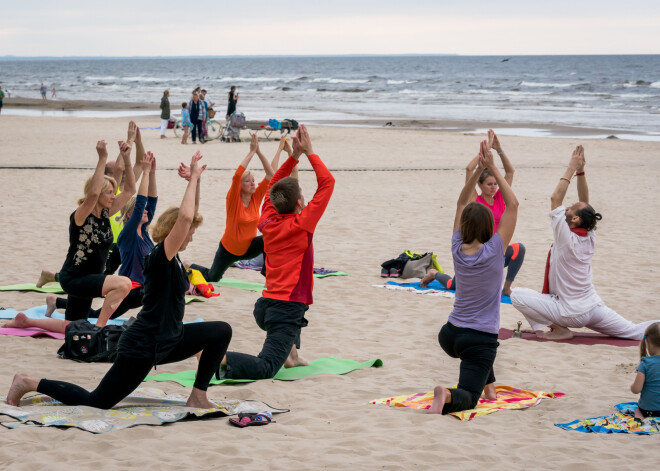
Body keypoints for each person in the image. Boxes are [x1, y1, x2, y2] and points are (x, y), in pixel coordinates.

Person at [6, 152, 232, 410]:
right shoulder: (161, 258)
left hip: (171, 338)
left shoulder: (175, 258)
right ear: (175, 232)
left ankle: (198, 395)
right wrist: (191, 181)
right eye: (189, 232)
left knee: (220, 331)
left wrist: (196, 180)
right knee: (97, 401)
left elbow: (190, 216)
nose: (191, 236)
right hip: (143, 345)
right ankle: (28, 382)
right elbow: (185, 218)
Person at [510, 146, 660, 340]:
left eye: (571, 208)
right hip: (593, 307)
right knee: (634, 331)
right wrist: (581, 172)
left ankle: (560, 330)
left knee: (517, 295)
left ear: (575, 220)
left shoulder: (565, 238)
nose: (569, 206)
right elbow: (585, 203)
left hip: (568, 312)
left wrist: (571, 168)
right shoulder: (589, 234)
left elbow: (555, 198)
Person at [221, 125, 335, 380]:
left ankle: (292, 355)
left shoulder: (268, 220)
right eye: (303, 196)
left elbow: (274, 184)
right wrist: (310, 152)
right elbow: (327, 183)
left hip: (265, 307)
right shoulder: (302, 224)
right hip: (283, 312)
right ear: (299, 204)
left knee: (299, 303)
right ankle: (220, 357)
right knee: (267, 367)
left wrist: (294, 156)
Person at [428, 139, 519, 415]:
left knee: (479, 356)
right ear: (490, 225)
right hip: (478, 338)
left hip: (450, 335)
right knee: (469, 395)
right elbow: (513, 204)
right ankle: (447, 395)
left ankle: (489, 385)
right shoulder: (494, 250)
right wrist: (492, 166)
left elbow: (460, 202)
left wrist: (480, 169)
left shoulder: (457, 247)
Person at [30, 152, 159, 325]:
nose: (114, 196)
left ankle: (23, 322)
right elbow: (92, 194)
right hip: (75, 277)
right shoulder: (81, 216)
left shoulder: (106, 215)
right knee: (123, 284)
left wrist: (131, 161)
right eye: (109, 193)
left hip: (90, 278)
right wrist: (102, 159)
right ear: (98, 194)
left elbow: (129, 190)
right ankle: (100, 327)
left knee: (72, 326)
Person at [36, 122, 145, 287]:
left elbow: (136, 172)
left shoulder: (112, 202)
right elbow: (114, 172)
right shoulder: (96, 202)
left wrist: (136, 143)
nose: (118, 170)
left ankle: (54, 284)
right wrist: (123, 143)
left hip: (111, 246)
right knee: (105, 280)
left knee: (99, 279)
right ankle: (54, 279)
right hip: (89, 259)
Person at [421, 130, 525, 296]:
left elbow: (510, 172)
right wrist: (485, 151)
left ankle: (506, 288)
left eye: (495, 184)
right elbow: (469, 169)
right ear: (480, 185)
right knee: (452, 285)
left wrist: (499, 150)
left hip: (495, 250)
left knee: (519, 249)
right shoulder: (474, 199)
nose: (494, 187)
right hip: (476, 253)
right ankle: (434, 274)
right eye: (489, 184)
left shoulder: (500, 198)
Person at [186, 133, 274, 281]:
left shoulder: (256, 198)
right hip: (228, 250)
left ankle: (267, 274)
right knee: (213, 277)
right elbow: (237, 176)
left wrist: (258, 151)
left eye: (253, 180)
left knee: (270, 237)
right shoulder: (233, 199)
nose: (253, 183)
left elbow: (271, 175)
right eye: (248, 181)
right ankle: (189, 264)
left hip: (248, 249)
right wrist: (251, 152)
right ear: (240, 186)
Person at [631, 323, 660, 419]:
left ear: (647, 342)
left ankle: (639, 415)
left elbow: (636, 390)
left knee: (638, 410)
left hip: (649, 412)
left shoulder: (646, 363)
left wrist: (632, 387)